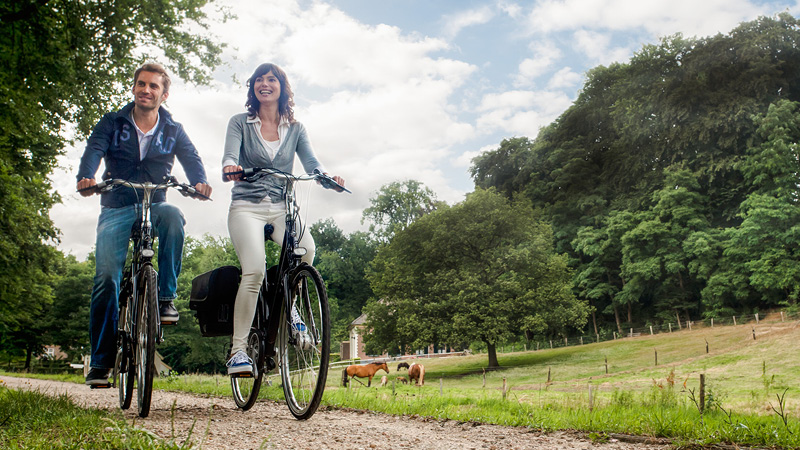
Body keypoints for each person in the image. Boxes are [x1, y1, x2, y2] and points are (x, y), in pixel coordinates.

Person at [76, 62, 213, 386]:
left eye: (153, 86)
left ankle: (165, 298)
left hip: (156, 202)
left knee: (174, 218)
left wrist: (200, 183)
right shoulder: (113, 122)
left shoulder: (173, 129)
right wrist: (87, 176)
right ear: (133, 88)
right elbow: (93, 149)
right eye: (141, 84)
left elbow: (192, 158)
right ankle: (100, 362)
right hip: (116, 205)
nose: (146, 90)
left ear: (164, 94)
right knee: (106, 278)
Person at [222, 63, 344, 375]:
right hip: (246, 207)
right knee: (255, 270)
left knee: (307, 249)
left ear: (281, 87)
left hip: (281, 206)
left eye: (271, 79)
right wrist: (230, 167)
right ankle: (237, 351)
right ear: (253, 88)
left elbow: (312, 163)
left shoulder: (296, 128)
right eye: (259, 80)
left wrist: (326, 177)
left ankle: (290, 306)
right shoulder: (240, 123)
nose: (265, 84)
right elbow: (230, 156)